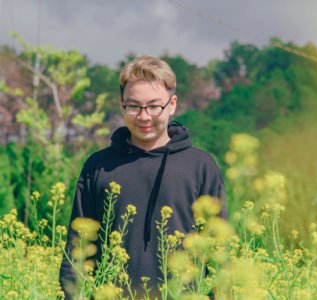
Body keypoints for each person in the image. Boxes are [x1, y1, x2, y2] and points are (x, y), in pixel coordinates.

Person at [59, 55, 227, 298]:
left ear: (172, 104)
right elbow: (77, 251)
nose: (144, 116)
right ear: (121, 104)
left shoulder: (201, 166)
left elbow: (218, 253)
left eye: (154, 106)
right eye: (134, 106)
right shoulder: (98, 166)